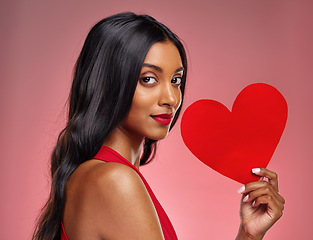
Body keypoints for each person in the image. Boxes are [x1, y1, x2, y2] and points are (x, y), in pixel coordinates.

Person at [32, 12, 285, 240]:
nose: (172, 99)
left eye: (176, 80)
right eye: (149, 79)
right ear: (109, 82)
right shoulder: (115, 180)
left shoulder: (93, 175)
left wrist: (249, 234)